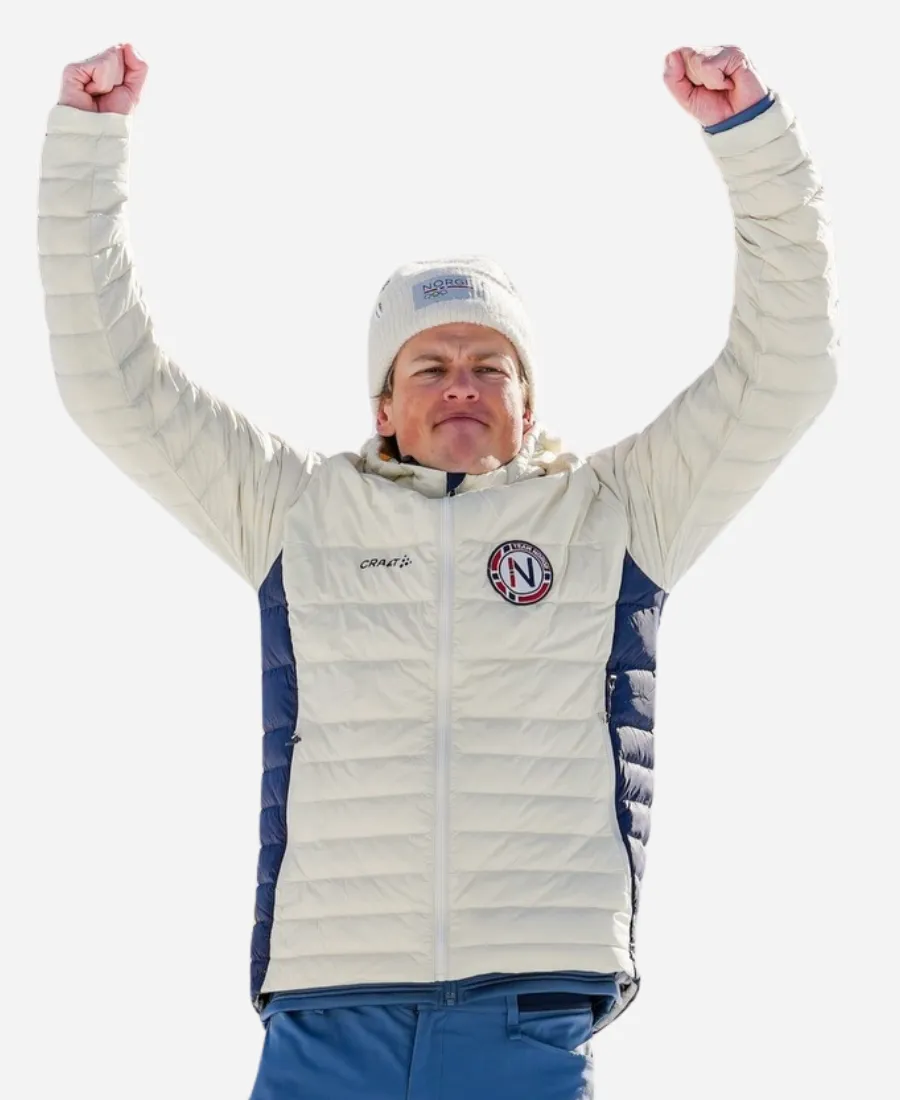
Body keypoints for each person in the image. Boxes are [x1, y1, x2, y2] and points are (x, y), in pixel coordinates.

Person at [39, 39, 838, 1100]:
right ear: (384, 404)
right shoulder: (298, 514)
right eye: (430, 365)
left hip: (527, 1012)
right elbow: (116, 384)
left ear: (527, 404)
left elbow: (785, 365)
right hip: (329, 1008)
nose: (461, 384)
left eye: (489, 366)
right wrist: (86, 149)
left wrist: (752, 139)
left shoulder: (616, 515)